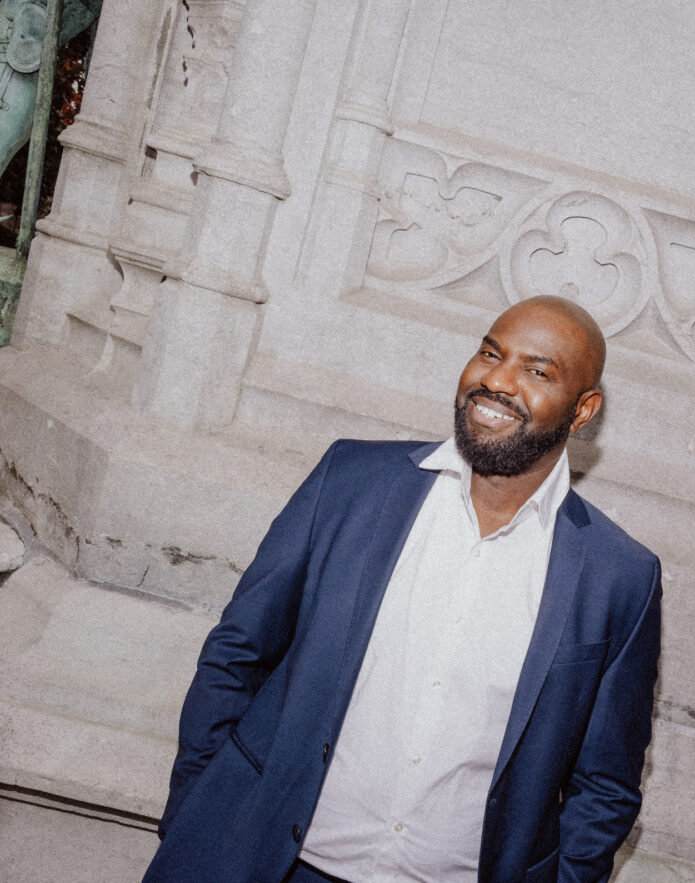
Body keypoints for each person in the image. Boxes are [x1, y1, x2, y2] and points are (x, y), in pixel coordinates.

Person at [144, 295, 662, 883]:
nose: (497, 381)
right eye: (490, 353)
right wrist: (195, 817)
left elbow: (606, 785)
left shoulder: (619, 576)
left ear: (582, 410)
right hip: (261, 866)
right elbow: (236, 656)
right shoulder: (350, 482)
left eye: (537, 371)